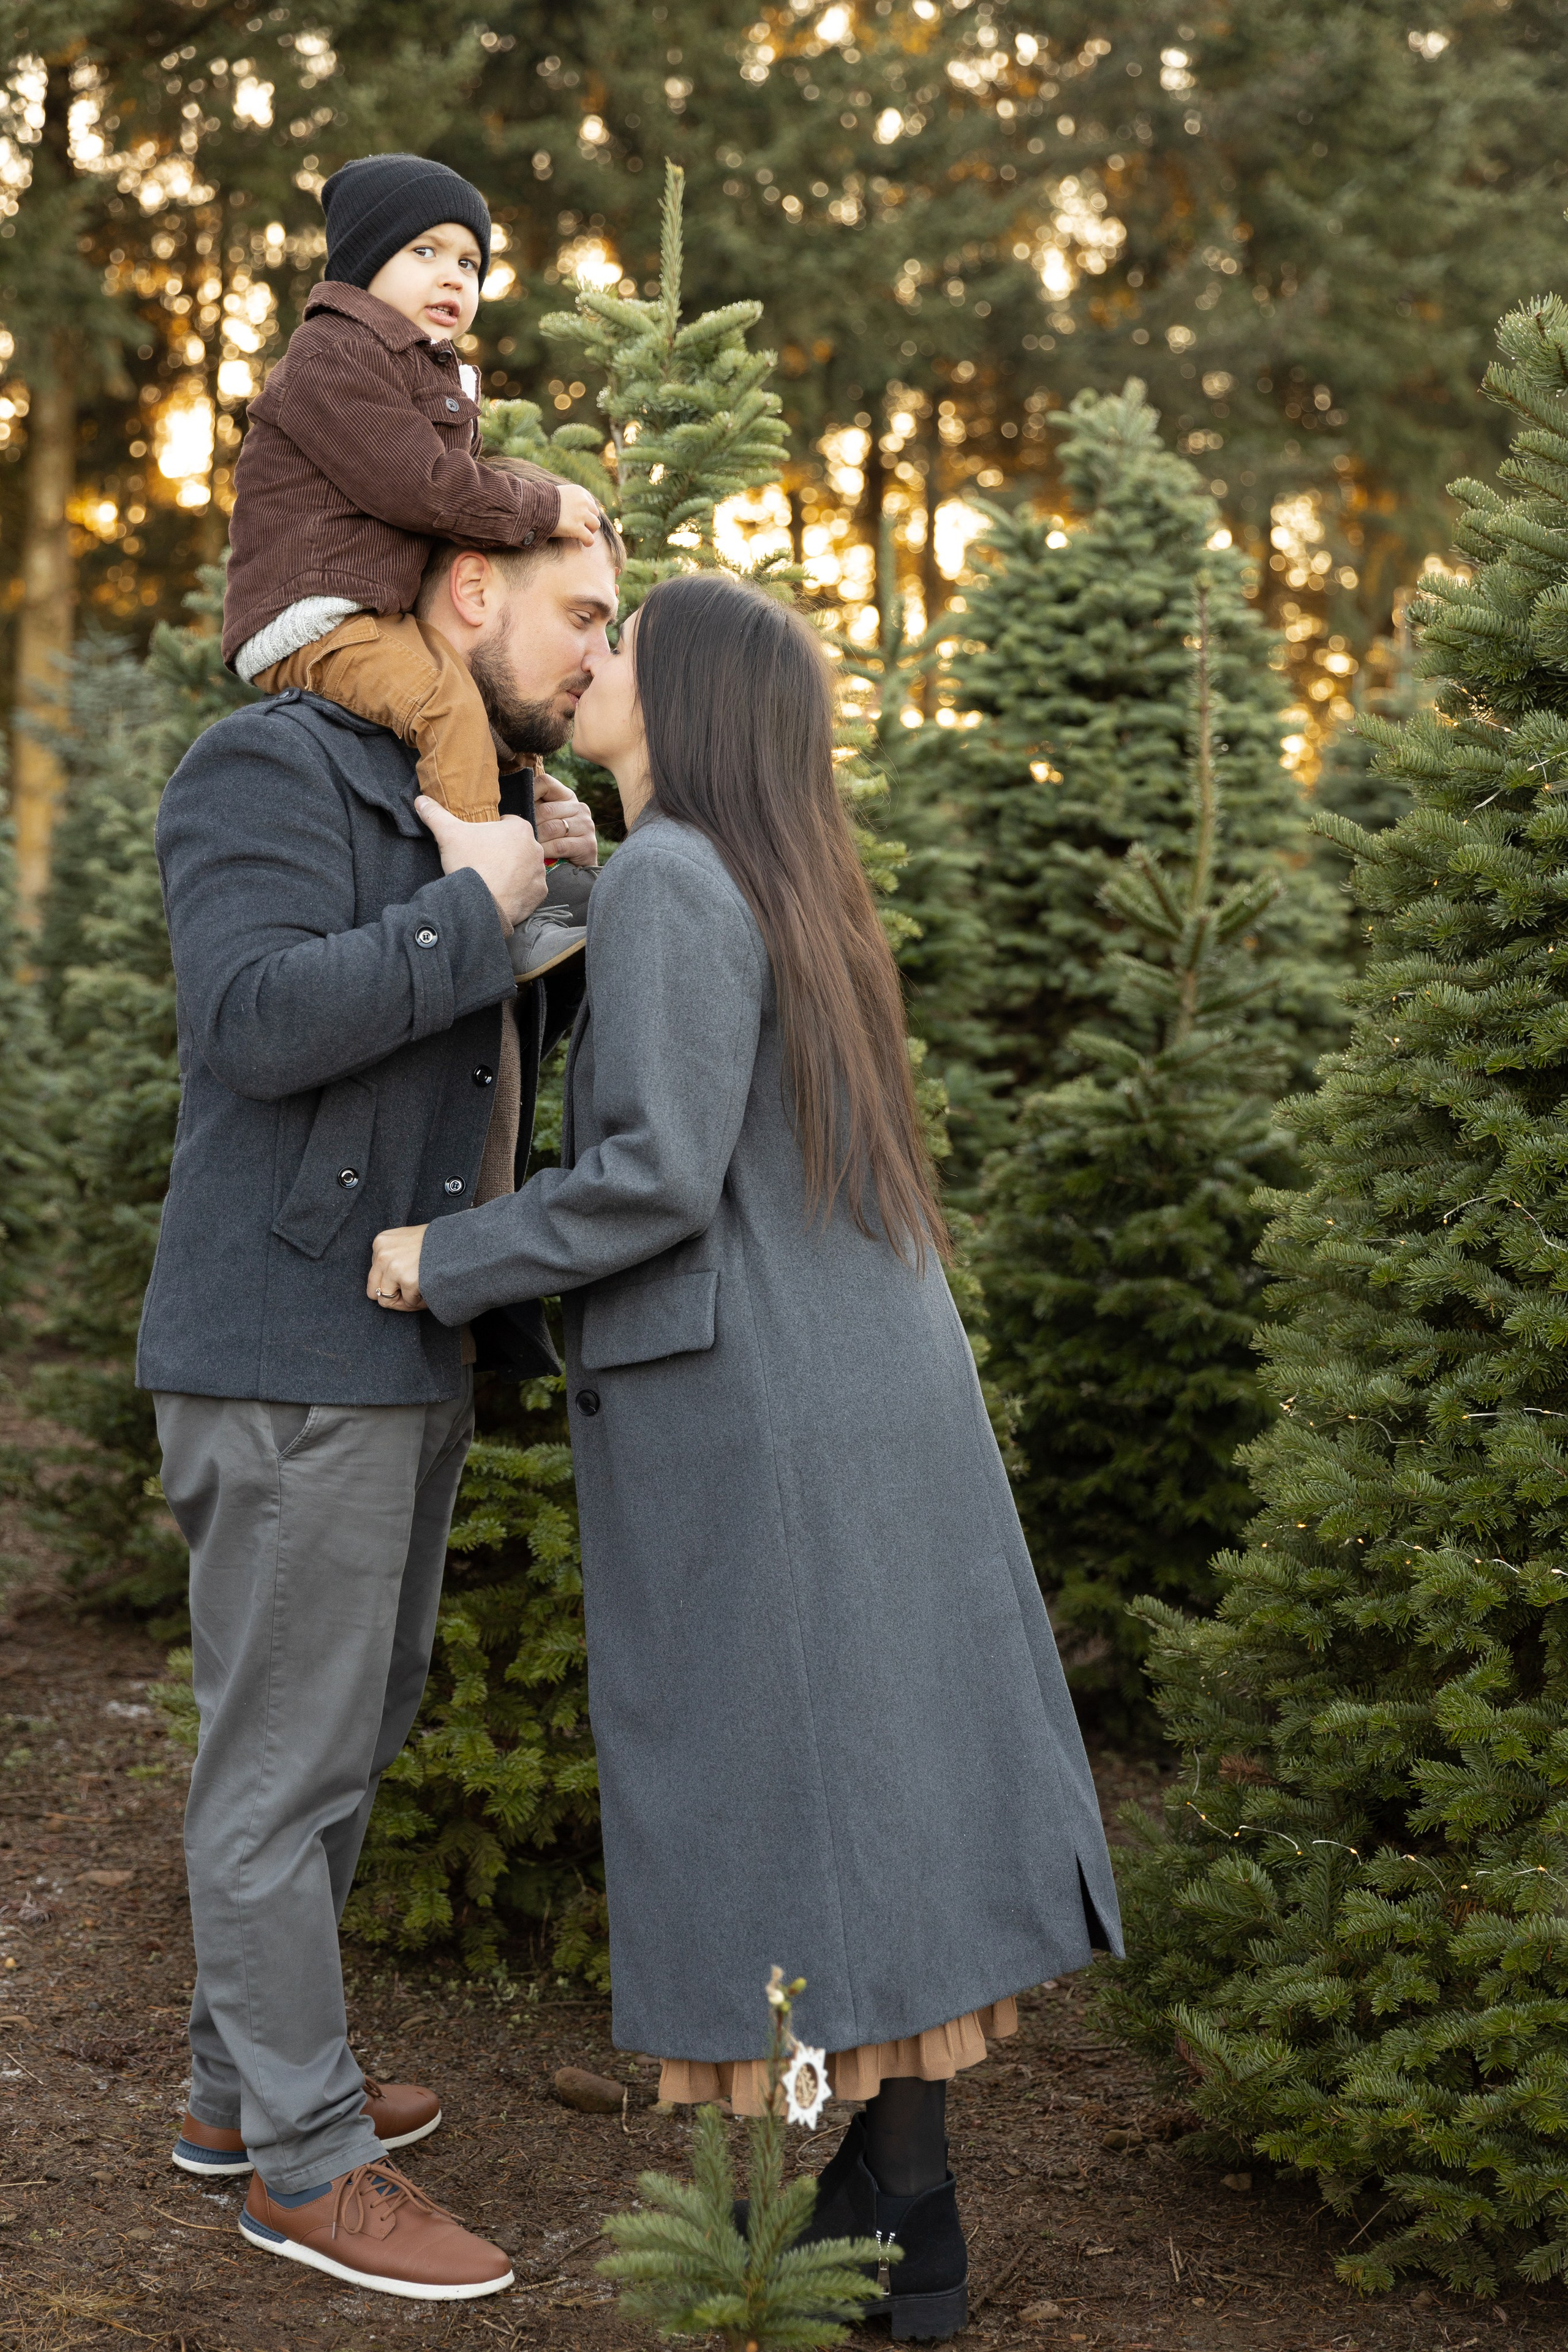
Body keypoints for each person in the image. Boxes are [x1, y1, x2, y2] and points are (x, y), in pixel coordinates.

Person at [368, 573, 1124, 2344]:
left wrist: (441, 1255)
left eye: (625, 642)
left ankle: (879, 2221)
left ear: (688, 698)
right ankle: (906, 2215)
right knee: (861, 1777)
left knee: (787, 1790)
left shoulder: (682, 883)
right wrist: (554, 884)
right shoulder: (759, 876)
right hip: (860, 1385)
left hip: (760, 1421)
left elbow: (648, 1174)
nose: (596, 657)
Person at [139, 481, 622, 2301]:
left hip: (398, 1341)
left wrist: (547, 894)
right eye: (581, 613)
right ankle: (306, 2163)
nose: (594, 652)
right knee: (281, 1768)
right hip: (284, 1348)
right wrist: (470, 904)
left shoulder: (475, 799)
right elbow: (253, 1020)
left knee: (343, 1732)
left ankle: (229, 2093)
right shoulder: (267, 770)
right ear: (473, 591)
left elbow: (461, 1061)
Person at [222, 149, 605, 851]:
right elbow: (422, 486)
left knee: (487, 704)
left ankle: (540, 852)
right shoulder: (330, 357)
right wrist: (541, 511)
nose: (451, 276)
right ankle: (489, 878)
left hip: (372, 605)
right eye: (425, 250)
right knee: (445, 703)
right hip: (314, 610)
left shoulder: (422, 370)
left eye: (469, 263)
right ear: (364, 263)